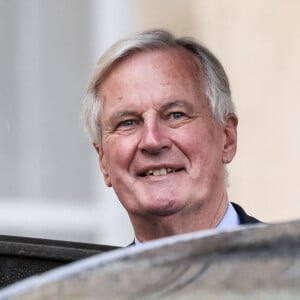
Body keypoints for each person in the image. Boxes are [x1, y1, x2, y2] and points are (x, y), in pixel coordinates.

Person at [82, 29, 260, 244]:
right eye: (128, 122)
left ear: (227, 138)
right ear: (103, 160)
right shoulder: (87, 278)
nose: (152, 141)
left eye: (176, 115)